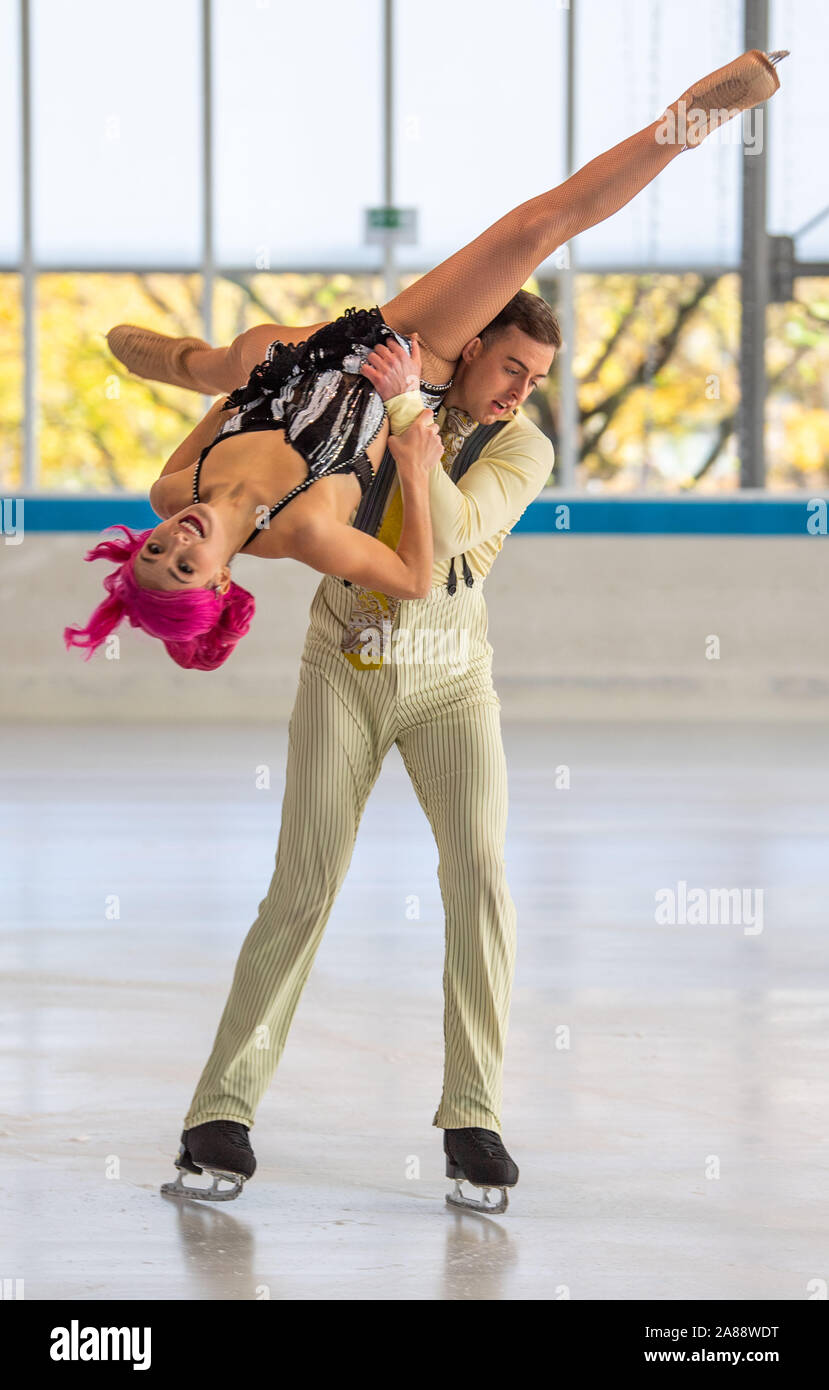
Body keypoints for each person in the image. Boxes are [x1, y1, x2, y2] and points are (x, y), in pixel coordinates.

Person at [107, 51, 785, 1206]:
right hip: (349, 659)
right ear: (469, 353)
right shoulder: (324, 502)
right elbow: (406, 558)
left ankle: (473, 1118)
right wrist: (390, 412)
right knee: (301, 887)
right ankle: (222, 1112)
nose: (520, 390)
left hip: (450, 679)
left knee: (479, 875)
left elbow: (447, 531)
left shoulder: (519, 447)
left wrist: (231, 368)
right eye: (511, 368)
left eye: (532, 375)